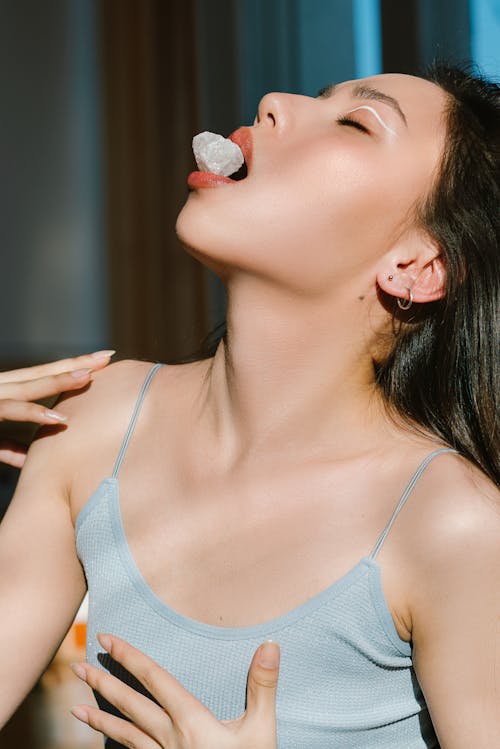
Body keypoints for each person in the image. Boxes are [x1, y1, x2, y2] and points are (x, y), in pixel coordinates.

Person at [0, 62, 498, 749]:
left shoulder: (451, 522)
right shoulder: (96, 420)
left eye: (356, 122)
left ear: (416, 265)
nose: (273, 102)